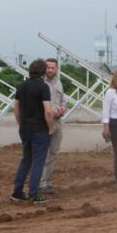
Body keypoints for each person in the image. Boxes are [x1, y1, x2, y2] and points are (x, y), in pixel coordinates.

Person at [10, 59, 54, 205]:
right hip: (40, 130)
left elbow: (15, 108)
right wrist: (51, 127)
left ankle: (17, 192)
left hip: (25, 129)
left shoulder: (21, 86)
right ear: (43, 72)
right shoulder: (43, 87)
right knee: (38, 162)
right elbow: (48, 111)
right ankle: (34, 194)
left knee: (26, 160)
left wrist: (21, 123)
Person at [39, 58, 66, 193]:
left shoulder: (59, 83)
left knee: (54, 152)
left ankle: (48, 181)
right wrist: (50, 113)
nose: (50, 70)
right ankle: (41, 183)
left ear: (57, 69)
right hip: (44, 123)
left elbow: (63, 100)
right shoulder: (40, 83)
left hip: (57, 123)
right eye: (48, 67)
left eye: (52, 68)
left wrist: (63, 108)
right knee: (43, 153)